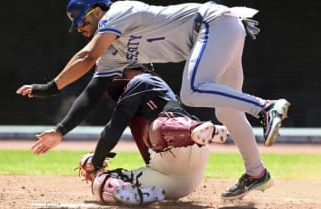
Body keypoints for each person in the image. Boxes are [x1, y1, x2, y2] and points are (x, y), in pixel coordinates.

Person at [16, 0, 291, 200]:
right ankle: (257, 173)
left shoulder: (119, 12)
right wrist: (60, 131)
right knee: (228, 111)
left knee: (193, 90)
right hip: (222, 29)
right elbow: (92, 92)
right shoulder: (114, 53)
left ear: (97, 11)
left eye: (83, 22)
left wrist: (51, 87)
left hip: (212, 22)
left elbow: (87, 56)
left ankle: (266, 107)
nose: (80, 29)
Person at [31, 63, 229, 205]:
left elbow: (113, 129)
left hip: (181, 144)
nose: (112, 79)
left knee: (155, 128)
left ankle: (194, 130)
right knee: (102, 184)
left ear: (138, 67)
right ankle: (144, 196)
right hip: (175, 179)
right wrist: (95, 168)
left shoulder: (143, 79)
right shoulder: (135, 93)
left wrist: (97, 159)